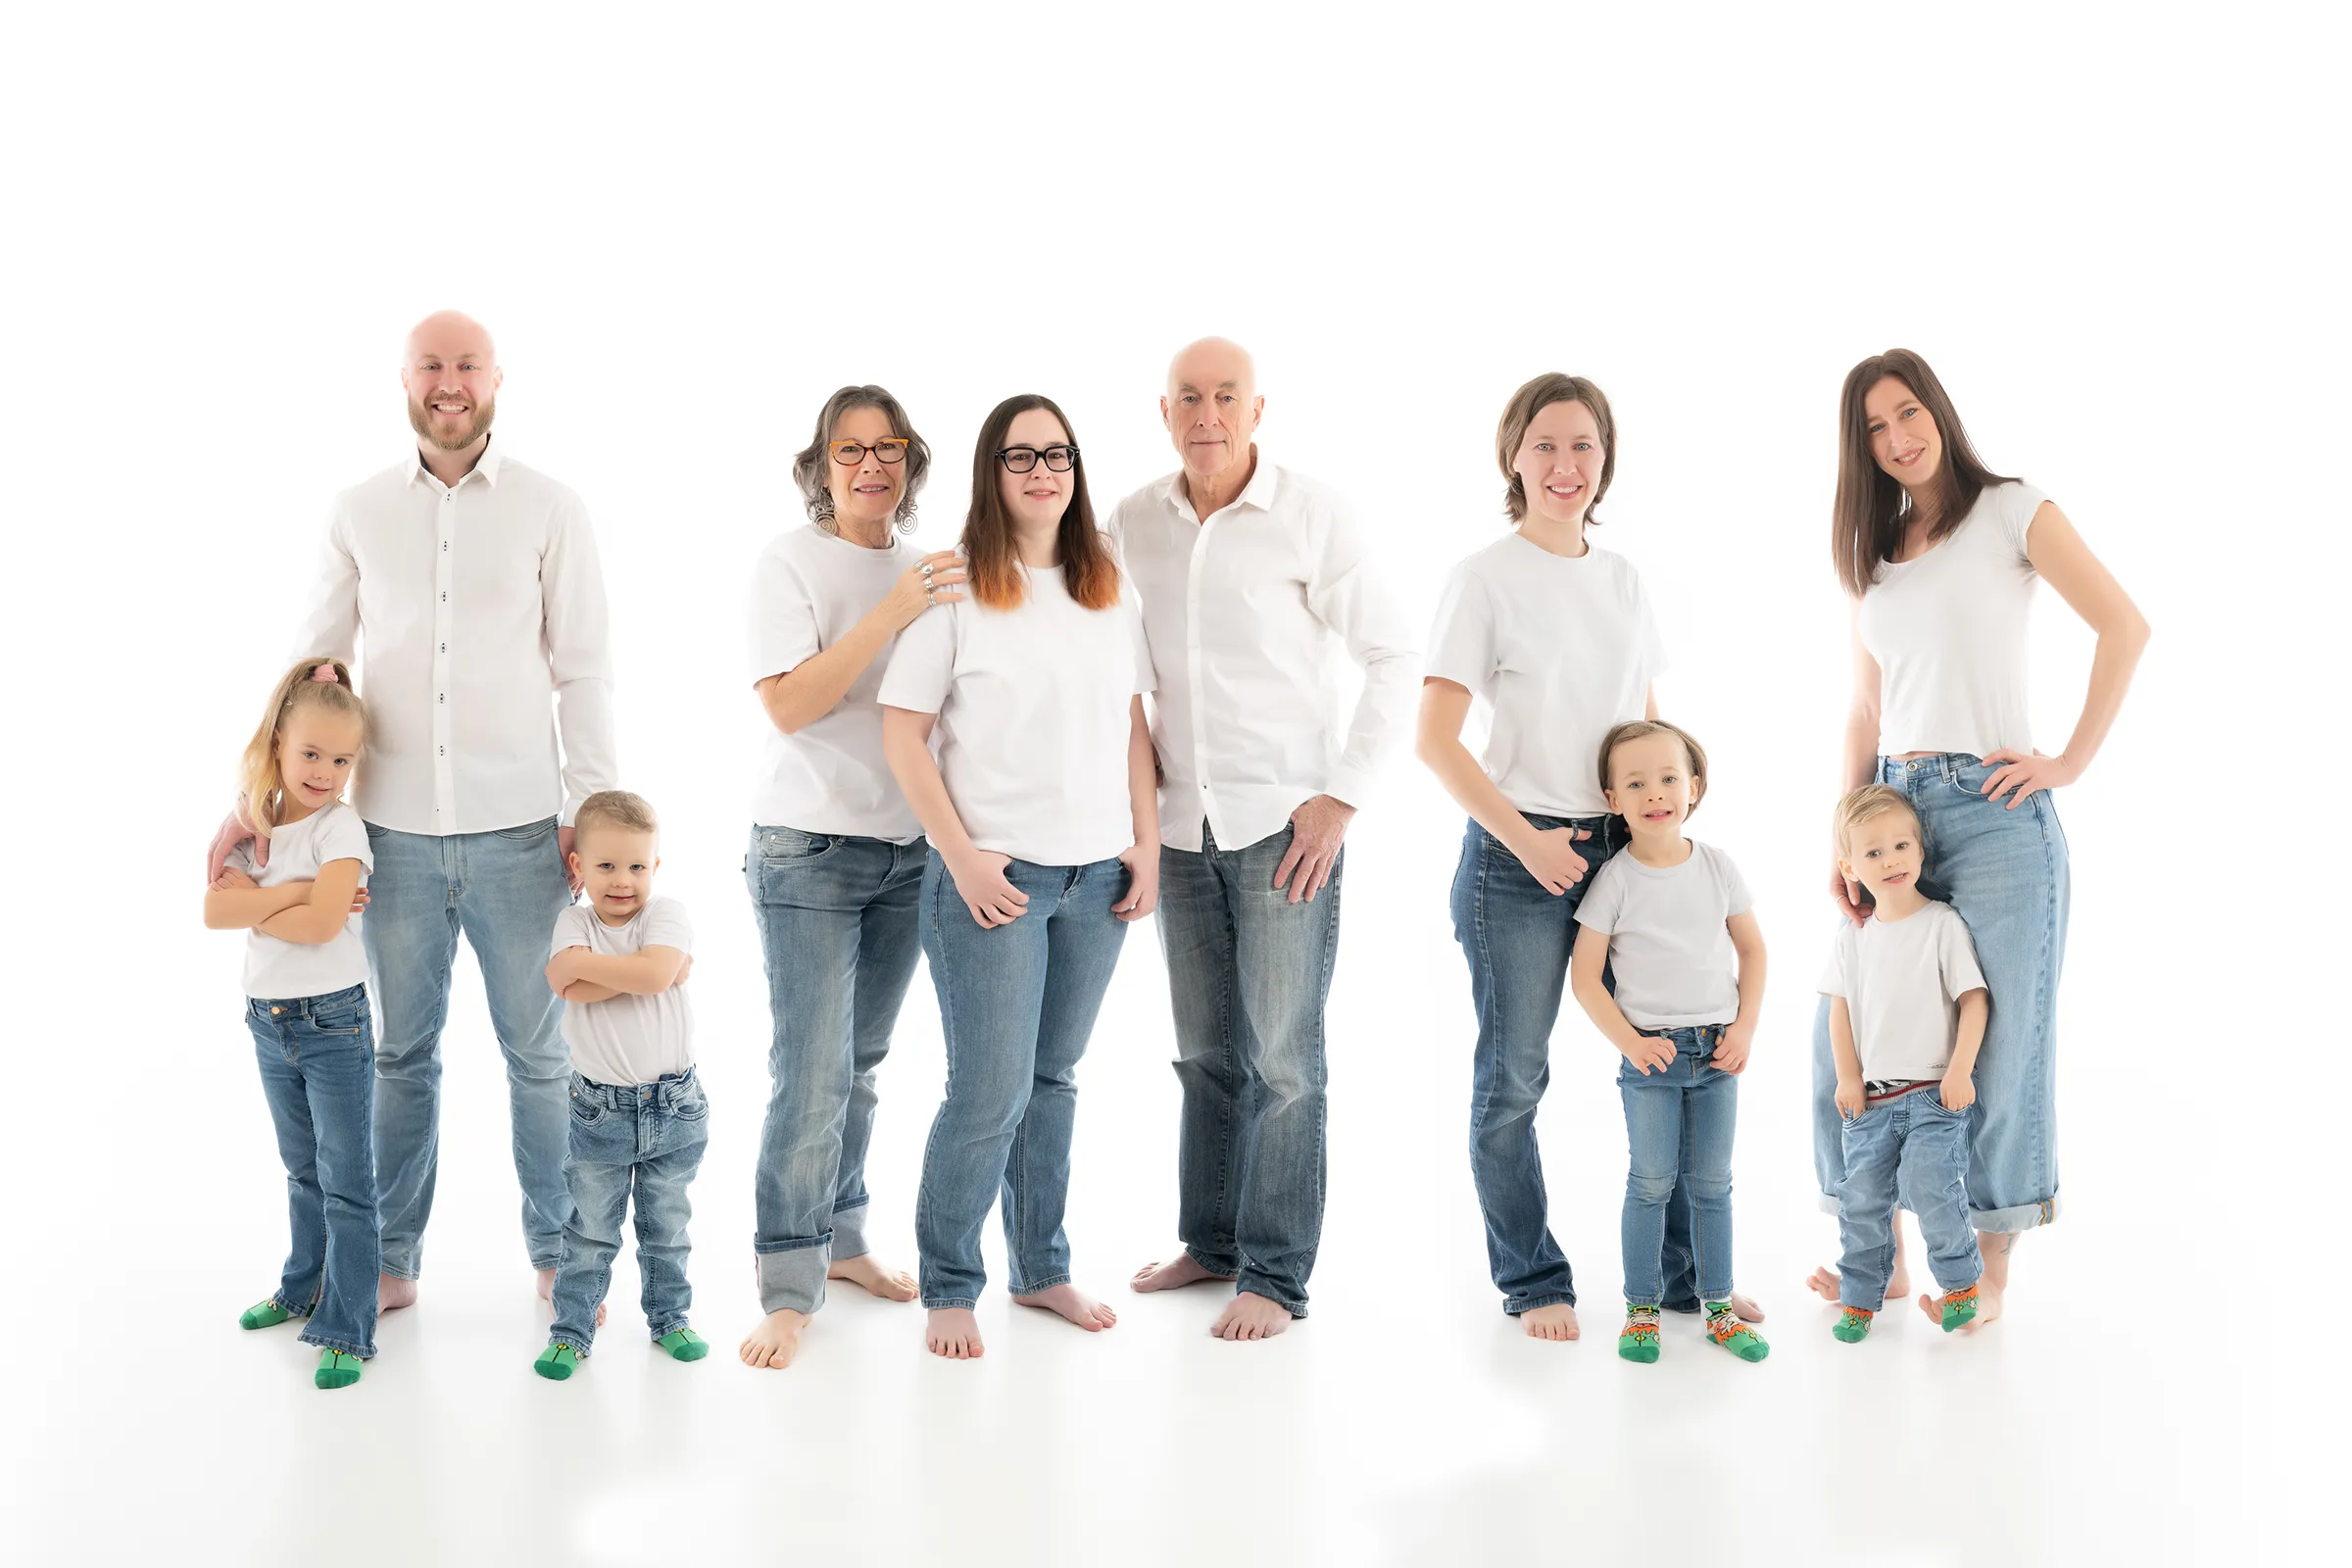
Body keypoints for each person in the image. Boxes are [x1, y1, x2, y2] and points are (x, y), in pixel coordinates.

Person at [208, 311, 617, 1313]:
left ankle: (560, 1252)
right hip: (386, 834)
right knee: (397, 1054)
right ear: (404, 379)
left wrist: (591, 813)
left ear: (496, 378)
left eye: (466, 365)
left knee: (540, 1054)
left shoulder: (550, 507)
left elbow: (585, 669)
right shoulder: (357, 510)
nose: (450, 382)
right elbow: (312, 667)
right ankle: (390, 1261)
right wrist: (251, 802)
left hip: (523, 832)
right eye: (432, 364)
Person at [1806, 349, 2149, 1325]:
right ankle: (1880, 1259)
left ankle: (1983, 1275)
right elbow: (1865, 708)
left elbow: (2123, 624)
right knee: (1851, 1045)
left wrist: (2069, 760)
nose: (1897, 439)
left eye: (1907, 413)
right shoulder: (1873, 557)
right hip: (1891, 813)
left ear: (1938, 411)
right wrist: (1844, 838)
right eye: (1873, 429)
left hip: (1996, 816)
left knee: (1994, 1052)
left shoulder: (2011, 510)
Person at [1418, 373, 1761, 1341]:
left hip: (1631, 850)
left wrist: (1667, 838)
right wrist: (1526, 842)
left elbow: (1644, 722)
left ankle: (1693, 1280)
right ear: (1512, 457)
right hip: (1517, 857)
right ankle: (1533, 1279)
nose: (1566, 465)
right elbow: (1435, 739)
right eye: (1546, 445)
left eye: (1584, 447)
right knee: (1516, 1078)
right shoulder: (1482, 578)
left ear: (1604, 462)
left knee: (1680, 1050)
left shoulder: (1621, 579)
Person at [1111, 337, 1417, 1341]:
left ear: (1256, 409)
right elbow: (1103, 661)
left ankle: (1277, 1276)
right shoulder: (1132, 522)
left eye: (1226, 397)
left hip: (1287, 828)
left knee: (1286, 1059)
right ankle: (1212, 1240)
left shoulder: (1310, 514)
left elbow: (1392, 655)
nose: (1207, 414)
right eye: (1189, 398)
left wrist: (1343, 797)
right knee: (1206, 1053)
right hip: (1182, 827)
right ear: (1165, 413)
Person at [879, 394, 1158, 1360]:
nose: (1042, 471)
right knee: (988, 1090)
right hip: (994, 882)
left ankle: (1040, 1270)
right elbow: (901, 731)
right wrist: (960, 858)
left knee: (1052, 1081)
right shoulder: (955, 588)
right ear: (991, 475)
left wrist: (1146, 842)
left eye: (1059, 455)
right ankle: (951, 1284)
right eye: (1019, 456)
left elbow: (1130, 722)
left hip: (1098, 883)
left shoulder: (1107, 585)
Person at [739, 385, 967, 1372]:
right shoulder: (790, 561)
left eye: (889, 449)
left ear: (911, 463)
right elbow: (792, 704)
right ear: (821, 465)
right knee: (813, 1071)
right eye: (849, 451)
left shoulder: (930, 570)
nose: (871, 466)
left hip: (905, 853)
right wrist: (891, 613)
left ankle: (842, 1243)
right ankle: (787, 1289)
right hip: (808, 851)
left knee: (861, 1066)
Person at [1570, 721, 1769, 1363]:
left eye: (1668, 779)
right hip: (1651, 1060)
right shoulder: (1617, 881)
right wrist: (1629, 1043)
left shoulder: (1717, 866)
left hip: (1716, 1055)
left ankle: (1718, 1306)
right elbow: (1585, 979)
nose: (1655, 794)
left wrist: (1744, 1029)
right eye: (1636, 783)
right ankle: (1642, 1310)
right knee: (1651, 1182)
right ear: (1612, 799)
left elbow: (1753, 949)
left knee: (1713, 1184)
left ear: (1694, 786)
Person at [205, 659, 378, 1390]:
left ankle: (347, 1324)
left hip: (333, 1022)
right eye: (311, 753)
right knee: (302, 1171)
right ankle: (300, 1285)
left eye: (341, 759)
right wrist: (301, 895)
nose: (325, 771)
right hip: (267, 1020)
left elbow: (323, 927)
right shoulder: (255, 820)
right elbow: (213, 910)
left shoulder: (343, 827)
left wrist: (282, 897)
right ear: (279, 741)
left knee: (345, 1181)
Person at [534, 791, 710, 1379]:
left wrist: (609, 970)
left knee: (667, 1229)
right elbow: (563, 982)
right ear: (579, 866)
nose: (623, 880)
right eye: (606, 865)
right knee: (588, 1233)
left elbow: (653, 971)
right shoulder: (572, 920)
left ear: (654, 867)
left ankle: (670, 1319)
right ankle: (571, 1331)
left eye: (637, 866)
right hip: (599, 1110)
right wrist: (643, 976)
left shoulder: (667, 914)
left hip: (675, 1107)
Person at [1819, 784, 1989, 1343]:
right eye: (1873, 852)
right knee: (1861, 1201)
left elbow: (1974, 999)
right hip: (1870, 1102)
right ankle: (1860, 1298)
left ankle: (1962, 1287)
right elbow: (1839, 1013)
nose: (1890, 860)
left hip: (1933, 1095)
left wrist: (1961, 1068)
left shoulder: (1942, 923)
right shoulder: (1854, 937)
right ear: (1849, 866)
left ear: (1920, 850)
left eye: (1900, 846)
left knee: (1933, 1185)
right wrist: (1848, 1077)